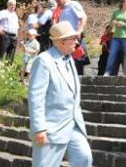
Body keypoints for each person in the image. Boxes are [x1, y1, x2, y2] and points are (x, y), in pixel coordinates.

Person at [28, 21, 92, 167]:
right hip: (51, 128)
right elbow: (35, 97)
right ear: (62, 42)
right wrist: (39, 128)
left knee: (84, 158)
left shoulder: (69, 59)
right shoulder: (44, 60)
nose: (77, 41)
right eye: (73, 38)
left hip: (73, 124)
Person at [103, 0, 126, 76]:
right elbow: (111, 23)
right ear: (122, 3)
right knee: (112, 54)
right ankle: (107, 72)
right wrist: (113, 22)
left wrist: (123, 24)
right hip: (116, 37)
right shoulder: (116, 12)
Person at [0, 0, 20, 64]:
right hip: (5, 35)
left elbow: (17, 26)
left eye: (14, 5)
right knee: (1, 53)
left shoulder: (15, 15)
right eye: (11, 5)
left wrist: (16, 35)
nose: (13, 6)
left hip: (14, 37)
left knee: (11, 55)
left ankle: (7, 70)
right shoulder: (4, 12)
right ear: (7, 5)